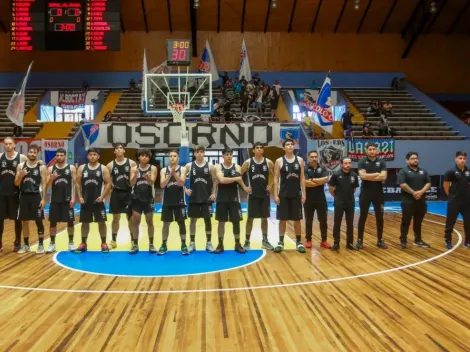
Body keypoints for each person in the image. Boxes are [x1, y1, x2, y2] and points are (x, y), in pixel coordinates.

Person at [75, 148, 112, 253]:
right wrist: (80, 197)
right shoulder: (82, 168)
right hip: (85, 201)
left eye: (94, 154)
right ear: (87, 156)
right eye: (90, 154)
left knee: (101, 222)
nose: (92, 156)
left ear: (98, 156)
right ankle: (83, 243)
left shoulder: (103, 168)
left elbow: (108, 183)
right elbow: (77, 183)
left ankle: (104, 243)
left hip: (98, 201)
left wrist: (103, 196)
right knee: (85, 222)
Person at [214, 147, 250, 254]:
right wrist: (235, 179)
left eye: (230, 154)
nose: (229, 156)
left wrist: (244, 187)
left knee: (236, 222)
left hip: (234, 198)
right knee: (221, 222)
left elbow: (239, 181)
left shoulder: (237, 167)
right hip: (221, 198)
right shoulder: (218, 167)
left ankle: (237, 244)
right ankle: (220, 244)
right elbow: (221, 180)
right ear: (223, 156)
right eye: (227, 154)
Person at [273, 139, 306, 253]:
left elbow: (302, 178)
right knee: (283, 219)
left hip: (296, 194)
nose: (290, 146)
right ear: (284, 148)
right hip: (283, 194)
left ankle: (299, 242)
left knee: (297, 220)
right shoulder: (279, 161)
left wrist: (304, 193)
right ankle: (281, 242)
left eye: (292, 144)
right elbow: (275, 179)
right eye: (288, 144)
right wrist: (275, 195)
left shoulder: (300, 160)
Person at [240, 142, 275, 251]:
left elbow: (276, 175)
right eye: (257, 148)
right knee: (250, 219)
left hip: (265, 195)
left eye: (261, 148)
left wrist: (271, 185)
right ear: (253, 150)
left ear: (263, 150)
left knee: (264, 218)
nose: (259, 149)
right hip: (252, 195)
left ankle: (265, 241)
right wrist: (245, 187)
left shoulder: (268, 162)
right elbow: (238, 176)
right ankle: (247, 242)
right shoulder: (248, 162)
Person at [15, 144, 47, 254]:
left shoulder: (41, 167)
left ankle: (41, 245)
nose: (32, 154)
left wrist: (44, 199)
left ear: (37, 154)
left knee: (38, 221)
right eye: (31, 152)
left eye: (34, 152)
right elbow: (16, 183)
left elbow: (44, 185)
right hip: (24, 196)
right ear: (28, 152)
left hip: (36, 197)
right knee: (25, 222)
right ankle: (26, 245)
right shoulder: (20, 166)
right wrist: (21, 175)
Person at [184, 145, 216, 253]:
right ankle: (192, 243)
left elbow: (215, 181)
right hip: (194, 198)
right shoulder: (189, 165)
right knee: (192, 221)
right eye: (198, 152)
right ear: (194, 154)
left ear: (204, 153)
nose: (200, 154)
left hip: (206, 198)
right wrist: (185, 189)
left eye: (202, 152)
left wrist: (213, 193)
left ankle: (209, 243)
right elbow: (180, 178)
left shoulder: (210, 166)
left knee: (208, 220)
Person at [397, 152, 431, 249]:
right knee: (406, 221)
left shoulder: (423, 171)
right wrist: (414, 193)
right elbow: (403, 185)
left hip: (421, 201)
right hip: (408, 201)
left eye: (416, 158)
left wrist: (420, 192)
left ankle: (418, 240)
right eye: (412, 158)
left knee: (418, 222)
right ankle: (403, 240)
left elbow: (428, 183)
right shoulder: (403, 171)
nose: (415, 160)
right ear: (407, 160)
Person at [357, 143, 388, 249]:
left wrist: (368, 176)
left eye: (374, 149)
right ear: (366, 151)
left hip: (378, 194)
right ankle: (360, 240)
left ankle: (380, 240)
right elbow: (362, 176)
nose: (372, 151)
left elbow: (383, 177)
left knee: (380, 217)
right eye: (370, 149)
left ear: (377, 151)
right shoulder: (362, 161)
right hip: (365, 193)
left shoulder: (382, 162)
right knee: (363, 217)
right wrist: (376, 174)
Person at [0, 137, 28, 252]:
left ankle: (17, 242)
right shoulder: (0, 156)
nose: (8, 146)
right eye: (6, 144)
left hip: (15, 193)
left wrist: (40, 162)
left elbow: (32, 163)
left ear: (14, 144)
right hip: (1, 193)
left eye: (10, 144)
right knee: (0, 219)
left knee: (17, 219)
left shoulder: (21, 157)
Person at [107, 144, 136, 249]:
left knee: (130, 218)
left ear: (124, 151)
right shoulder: (110, 165)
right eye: (117, 148)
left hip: (128, 193)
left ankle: (133, 240)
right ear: (114, 152)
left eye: (121, 148)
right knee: (115, 218)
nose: (119, 150)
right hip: (116, 193)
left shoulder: (131, 163)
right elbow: (107, 180)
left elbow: (135, 178)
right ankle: (113, 241)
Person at [47, 148, 77, 252]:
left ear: (65, 156)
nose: (59, 157)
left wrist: (74, 198)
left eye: (61, 155)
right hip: (55, 200)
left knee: (70, 222)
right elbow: (47, 186)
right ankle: (52, 243)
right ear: (55, 157)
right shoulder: (51, 169)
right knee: (53, 223)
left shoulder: (71, 168)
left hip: (67, 199)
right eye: (58, 155)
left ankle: (71, 242)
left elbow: (74, 184)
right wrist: (51, 179)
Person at [159, 150, 188, 255]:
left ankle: (184, 245)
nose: (172, 158)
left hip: (179, 201)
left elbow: (181, 183)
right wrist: (169, 175)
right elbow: (162, 185)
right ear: (168, 158)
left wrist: (174, 173)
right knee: (166, 224)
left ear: (178, 158)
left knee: (181, 223)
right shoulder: (163, 170)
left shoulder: (183, 169)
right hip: (167, 201)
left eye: (174, 156)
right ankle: (164, 244)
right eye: (170, 156)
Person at [129, 149, 158, 254]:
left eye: (146, 156)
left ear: (149, 158)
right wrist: (135, 176)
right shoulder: (133, 168)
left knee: (150, 222)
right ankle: (135, 244)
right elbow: (131, 183)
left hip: (148, 198)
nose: (144, 157)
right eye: (142, 156)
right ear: (139, 157)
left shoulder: (153, 168)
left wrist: (148, 178)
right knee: (135, 222)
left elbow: (152, 182)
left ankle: (151, 244)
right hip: (136, 198)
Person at [328, 157, 359, 251]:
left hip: (350, 202)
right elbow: (331, 188)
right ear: (341, 164)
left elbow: (354, 189)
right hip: (339, 202)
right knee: (337, 223)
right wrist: (336, 197)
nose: (348, 165)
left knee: (350, 224)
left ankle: (349, 243)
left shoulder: (354, 175)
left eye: (349, 163)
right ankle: (336, 243)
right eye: (345, 163)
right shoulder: (336, 175)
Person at [443, 151, 470, 249]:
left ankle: (467, 241)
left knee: (468, 222)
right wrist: (451, 196)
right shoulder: (450, 171)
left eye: (464, 158)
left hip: (466, 202)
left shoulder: (468, 171)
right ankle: (448, 240)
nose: (462, 160)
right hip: (454, 201)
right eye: (460, 158)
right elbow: (445, 185)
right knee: (450, 222)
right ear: (456, 159)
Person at [303, 150, 330, 249]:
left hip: (321, 199)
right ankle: (308, 240)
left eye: (315, 157)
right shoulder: (305, 168)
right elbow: (305, 183)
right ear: (308, 158)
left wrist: (312, 180)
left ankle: (324, 240)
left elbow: (326, 179)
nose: (314, 158)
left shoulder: (322, 167)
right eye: (312, 157)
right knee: (308, 221)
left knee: (323, 220)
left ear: (317, 157)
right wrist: (319, 181)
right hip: (308, 199)